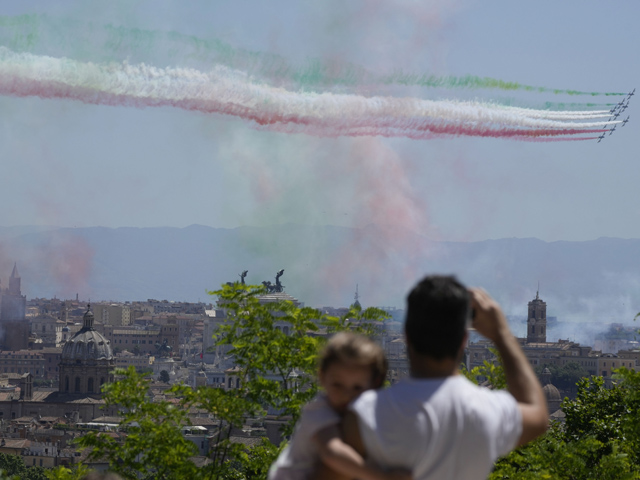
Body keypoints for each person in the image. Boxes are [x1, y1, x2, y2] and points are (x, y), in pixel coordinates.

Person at [322, 275, 548, 480]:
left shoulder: (366, 415)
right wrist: (501, 334)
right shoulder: (488, 411)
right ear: (464, 341)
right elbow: (537, 414)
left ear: (407, 337)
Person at [269, 332, 409, 480]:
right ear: (322, 378)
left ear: (374, 384)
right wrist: (381, 476)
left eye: (357, 388)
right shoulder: (318, 411)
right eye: (338, 385)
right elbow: (333, 452)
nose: (346, 395)